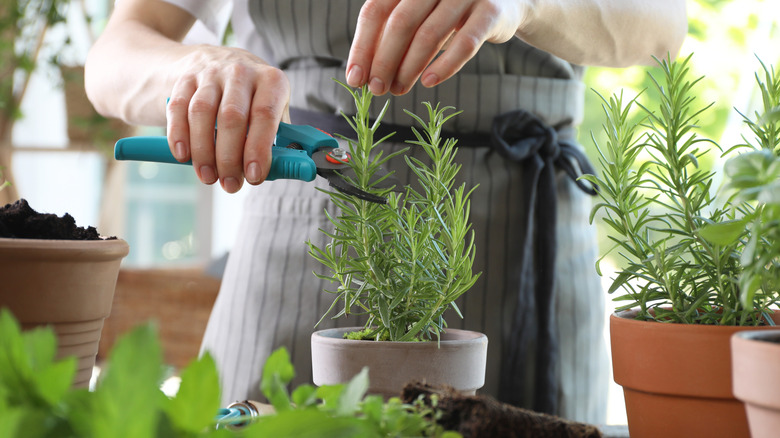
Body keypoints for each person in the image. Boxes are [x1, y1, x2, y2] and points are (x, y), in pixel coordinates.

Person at [86, 0, 687, 423]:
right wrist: (191, 71)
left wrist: (529, 4)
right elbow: (118, 50)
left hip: (531, 246)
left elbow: (663, 24)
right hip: (305, 240)